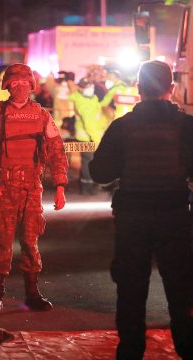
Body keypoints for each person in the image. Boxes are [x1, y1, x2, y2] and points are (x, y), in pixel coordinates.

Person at [89, 61, 193, 360]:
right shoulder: (187, 127)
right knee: (181, 289)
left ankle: (131, 351)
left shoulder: (122, 127)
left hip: (132, 219)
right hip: (174, 216)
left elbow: (100, 173)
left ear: (138, 90)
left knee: (131, 290)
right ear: (172, 89)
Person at [0, 63, 68, 312]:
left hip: (31, 187)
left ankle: (32, 293)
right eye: (14, 83)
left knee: (30, 241)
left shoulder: (41, 115)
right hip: (2, 187)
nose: (19, 87)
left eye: (23, 83)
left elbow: (56, 151)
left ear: (31, 85)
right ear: (7, 86)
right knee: (2, 242)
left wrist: (60, 185)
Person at [69, 77, 106, 195]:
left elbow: (97, 118)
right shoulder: (82, 101)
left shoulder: (92, 98)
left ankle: (89, 185)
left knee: (90, 161)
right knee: (88, 162)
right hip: (86, 137)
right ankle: (87, 187)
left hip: (92, 135)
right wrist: (97, 139)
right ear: (80, 88)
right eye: (87, 87)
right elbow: (89, 122)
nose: (90, 89)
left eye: (91, 86)